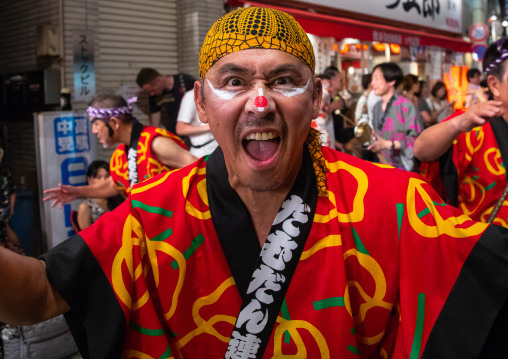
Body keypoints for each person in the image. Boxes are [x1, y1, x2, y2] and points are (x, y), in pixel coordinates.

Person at [3, 7, 508, 359]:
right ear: (202, 103)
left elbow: (488, 282)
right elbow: (37, 296)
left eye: (285, 80)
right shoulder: (153, 215)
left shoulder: (390, 203)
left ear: (314, 102)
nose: (260, 101)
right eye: (235, 81)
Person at [415, 39, 508, 227]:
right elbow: (420, 149)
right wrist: (459, 122)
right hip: (486, 249)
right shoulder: (473, 127)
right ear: (494, 85)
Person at [43, 93, 198, 206]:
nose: (93, 131)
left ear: (114, 123)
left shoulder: (155, 143)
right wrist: (78, 192)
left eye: (96, 124)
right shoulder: (120, 155)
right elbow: (114, 185)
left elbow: (200, 170)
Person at [368, 62, 421, 170]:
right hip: (381, 164)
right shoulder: (377, 107)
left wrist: (388, 144)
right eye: (372, 79)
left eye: (377, 79)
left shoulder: (406, 105)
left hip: (403, 167)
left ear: (392, 81)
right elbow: (377, 132)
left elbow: (415, 139)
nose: (372, 83)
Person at [136, 68, 196, 134]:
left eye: (152, 90)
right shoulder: (154, 97)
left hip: (195, 128)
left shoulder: (185, 80)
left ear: (158, 80)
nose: (151, 94)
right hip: (176, 132)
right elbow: (155, 124)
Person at [76, 160, 124, 230]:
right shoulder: (85, 207)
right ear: (89, 180)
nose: (103, 181)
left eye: (107, 176)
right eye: (98, 177)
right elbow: (87, 237)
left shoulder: (119, 198)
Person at [176, 90, 218, 158]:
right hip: (204, 150)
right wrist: (209, 127)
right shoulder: (190, 96)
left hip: (218, 146)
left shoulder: (217, 92)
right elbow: (180, 129)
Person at [0, 147, 21, 255]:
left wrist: (11, 207)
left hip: (4, 211)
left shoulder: (4, 173)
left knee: (7, 233)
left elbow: (12, 190)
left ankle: (18, 255)